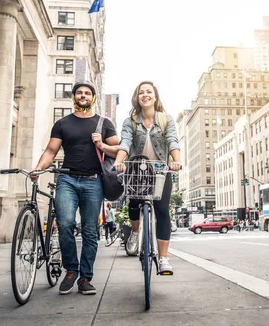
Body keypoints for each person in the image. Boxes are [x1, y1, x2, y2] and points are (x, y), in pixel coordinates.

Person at [32, 81, 119, 295]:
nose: (83, 95)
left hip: (93, 181)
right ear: (74, 97)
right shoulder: (62, 124)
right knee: (65, 224)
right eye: (79, 93)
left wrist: (102, 145)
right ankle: (71, 270)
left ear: (93, 98)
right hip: (67, 180)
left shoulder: (103, 123)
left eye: (87, 93)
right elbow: (50, 151)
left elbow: (119, 150)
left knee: (90, 231)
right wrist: (38, 168)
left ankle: (85, 278)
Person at [113, 81, 181, 275]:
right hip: (137, 170)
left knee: (162, 210)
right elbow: (125, 142)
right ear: (137, 98)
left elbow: (172, 141)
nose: (145, 95)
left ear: (155, 96)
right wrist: (119, 162)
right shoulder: (131, 121)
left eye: (148, 91)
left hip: (160, 170)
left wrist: (176, 161)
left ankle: (163, 258)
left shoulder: (166, 119)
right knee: (133, 205)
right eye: (141, 92)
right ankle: (135, 232)